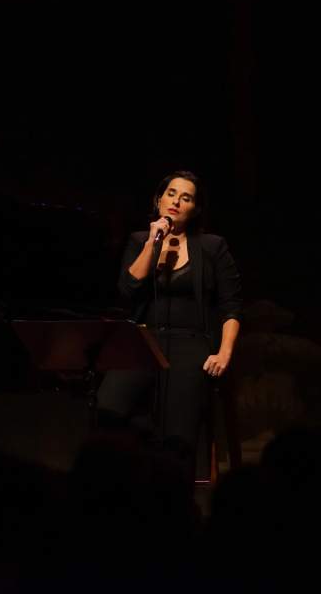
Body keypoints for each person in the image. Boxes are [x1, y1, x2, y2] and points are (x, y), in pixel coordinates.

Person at [96, 170, 242, 482]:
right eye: (171, 193)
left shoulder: (212, 247)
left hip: (191, 341)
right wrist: (153, 242)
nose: (176, 201)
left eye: (186, 197)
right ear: (159, 200)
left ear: (196, 208)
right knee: (109, 407)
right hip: (142, 339)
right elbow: (128, 289)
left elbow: (231, 308)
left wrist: (224, 353)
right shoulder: (139, 241)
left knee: (178, 434)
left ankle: (173, 501)